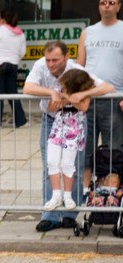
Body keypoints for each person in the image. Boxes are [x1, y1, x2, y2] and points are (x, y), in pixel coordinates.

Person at [23, 40, 114, 232]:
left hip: (76, 122)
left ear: (66, 57)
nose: (51, 64)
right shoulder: (40, 65)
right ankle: (50, 215)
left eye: (55, 60)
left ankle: (70, 215)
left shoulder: (76, 69)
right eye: (48, 60)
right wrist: (51, 92)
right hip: (51, 119)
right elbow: (27, 88)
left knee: (76, 166)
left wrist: (83, 94)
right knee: (50, 164)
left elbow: (107, 87)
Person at [77, 0, 123, 197]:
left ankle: (111, 194)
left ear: (118, 6)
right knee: (84, 150)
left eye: (111, 2)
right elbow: (79, 66)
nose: (106, 6)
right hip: (88, 100)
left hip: (114, 99)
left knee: (114, 151)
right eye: (103, 2)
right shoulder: (87, 32)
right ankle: (85, 192)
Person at [43, 69, 95, 212]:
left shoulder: (84, 92)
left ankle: (67, 196)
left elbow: (83, 107)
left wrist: (70, 98)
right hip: (58, 128)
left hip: (74, 130)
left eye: (66, 86)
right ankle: (56, 195)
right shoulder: (59, 90)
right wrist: (61, 99)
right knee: (51, 161)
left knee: (68, 163)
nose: (63, 88)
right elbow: (52, 107)